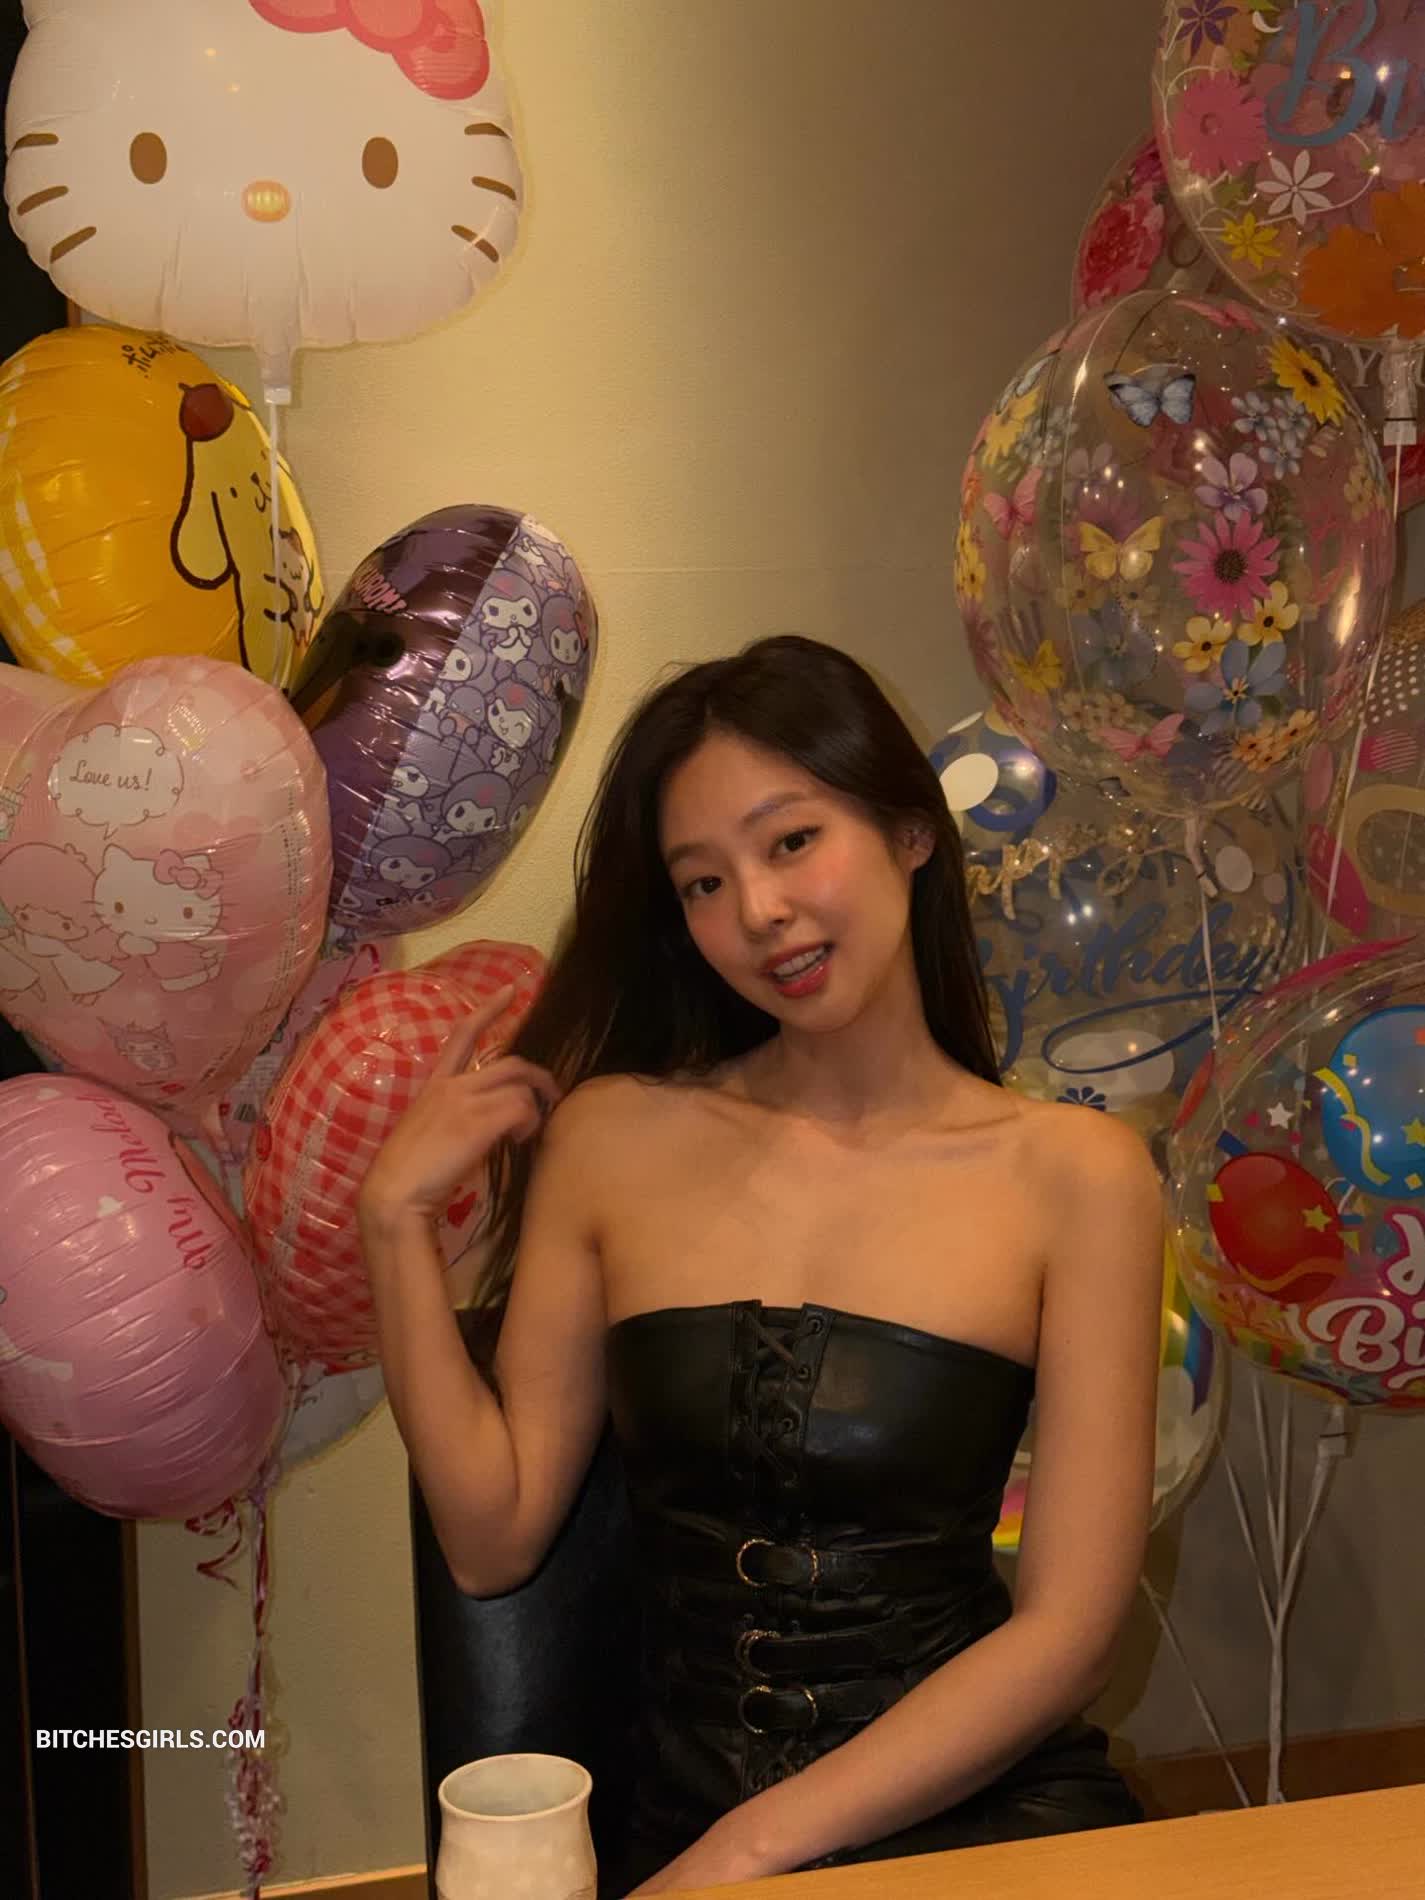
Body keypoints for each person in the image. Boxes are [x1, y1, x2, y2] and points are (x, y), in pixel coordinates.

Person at [359, 634, 1163, 1897]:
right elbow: (491, 1538)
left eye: (792, 841)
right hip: (690, 1819)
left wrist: (747, 1851)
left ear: (909, 830)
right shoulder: (611, 1138)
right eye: (703, 882)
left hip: (980, 1818)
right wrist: (393, 1221)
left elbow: (1068, 1634)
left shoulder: (1080, 1174)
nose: (758, 912)